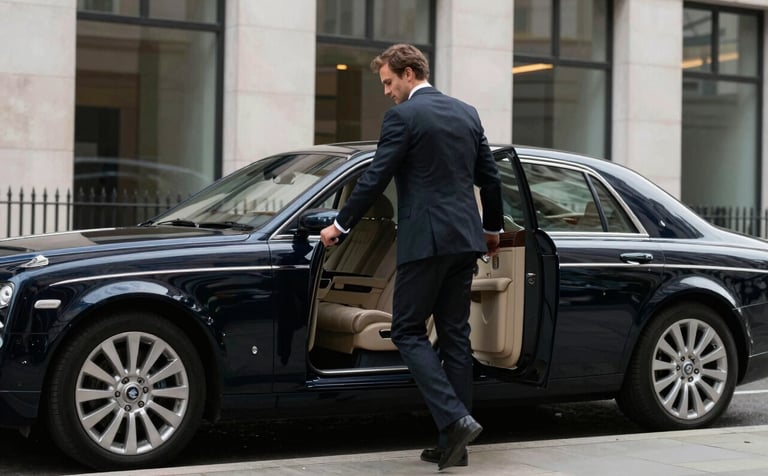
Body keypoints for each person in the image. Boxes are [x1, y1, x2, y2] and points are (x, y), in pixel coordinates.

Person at [320, 43, 503, 470]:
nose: (386, 92)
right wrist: (491, 230)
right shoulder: (467, 113)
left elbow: (374, 177)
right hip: (465, 241)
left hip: (426, 243)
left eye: (387, 82)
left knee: (405, 330)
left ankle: (456, 420)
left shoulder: (402, 117)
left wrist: (340, 225)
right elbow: (491, 180)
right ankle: (454, 445)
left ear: (406, 73)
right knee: (456, 338)